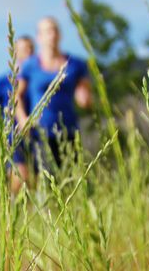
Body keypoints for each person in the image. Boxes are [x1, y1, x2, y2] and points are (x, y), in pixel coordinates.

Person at [13, 17, 93, 177]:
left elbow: (84, 94)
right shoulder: (30, 65)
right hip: (41, 132)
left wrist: (84, 98)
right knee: (48, 180)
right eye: (47, 31)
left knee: (72, 179)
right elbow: (16, 96)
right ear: (39, 37)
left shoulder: (76, 64)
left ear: (60, 35)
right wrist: (22, 119)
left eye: (55, 30)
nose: (52, 34)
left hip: (69, 129)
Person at [0, 35, 35, 192]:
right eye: (24, 49)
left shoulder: (36, 80)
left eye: (31, 49)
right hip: (11, 136)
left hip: (35, 136)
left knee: (33, 181)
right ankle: (9, 208)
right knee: (20, 176)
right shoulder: (2, 81)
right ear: (14, 52)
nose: (29, 53)